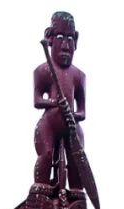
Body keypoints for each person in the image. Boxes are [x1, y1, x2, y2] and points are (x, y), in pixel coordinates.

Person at [33, 11, 86, 188]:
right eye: (61, 37)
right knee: (46, 154)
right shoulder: (43, 70)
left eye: (70, 38)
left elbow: (82, 111)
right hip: (49, 124)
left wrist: (74, 115)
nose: (65, 44)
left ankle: (77, 191)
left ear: (76, 41)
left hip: (71, 128)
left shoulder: (78, 75)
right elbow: (37, 100)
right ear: (50, 39)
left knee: (77, 160)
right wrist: (54, 103)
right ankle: (42, 187)